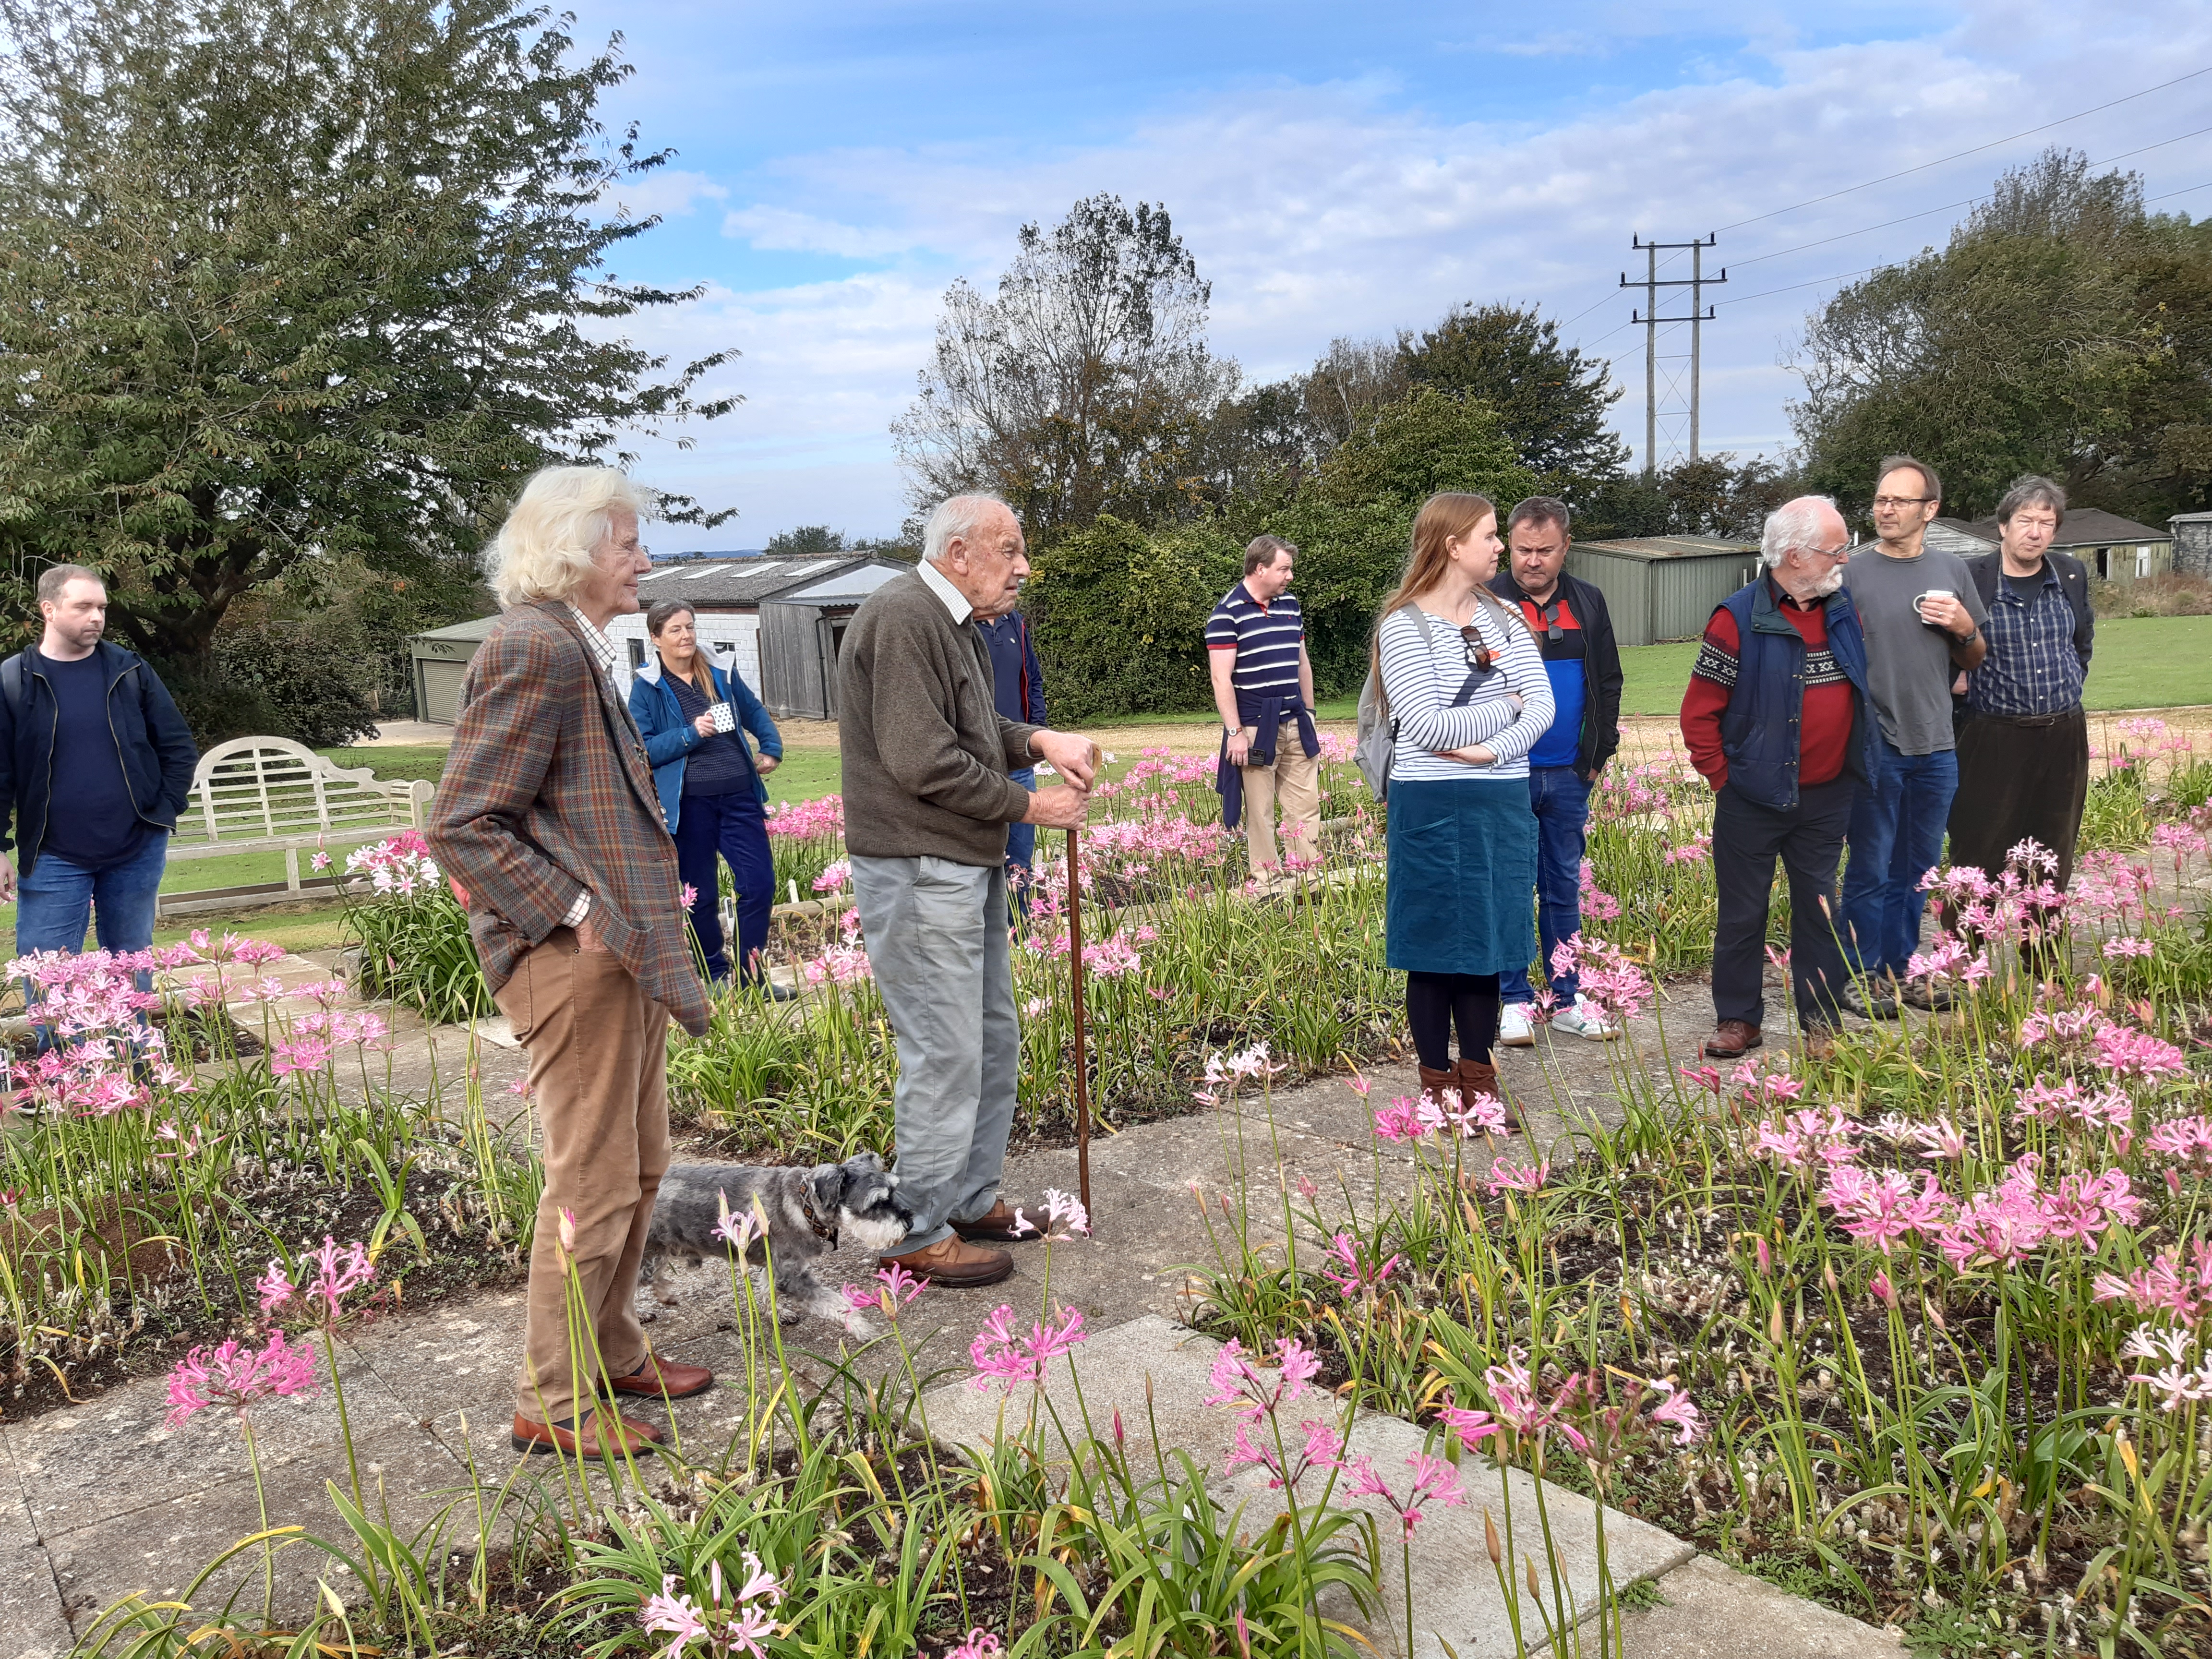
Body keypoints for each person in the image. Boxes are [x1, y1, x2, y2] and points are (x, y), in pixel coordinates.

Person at [426, 465, 714, 1460]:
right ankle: (553, 1398)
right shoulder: (530, 647)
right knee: (590, 1182)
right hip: (574, 959)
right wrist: (579, 913)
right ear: (574, 549)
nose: (644, 559)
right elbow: (464, 824)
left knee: (636, 1167)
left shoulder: (575, 643)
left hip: (616, 956)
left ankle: (613, 1349)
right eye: (627, 542)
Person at [839, 493, 1100, 1287]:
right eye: (1010, 549)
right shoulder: (904, 617)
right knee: (945, 1051)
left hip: (957, 865)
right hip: (919, 869)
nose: (1022, 566)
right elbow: (924, 760)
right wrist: (1032, 804)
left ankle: (963, 1197)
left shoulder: (955, 623)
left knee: (988, 1038)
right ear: (960, 552)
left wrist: (1038, 737)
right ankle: (914, 1230)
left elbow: (971, 731)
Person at [1373, 493, 1554, 1117]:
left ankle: (1479, 1087)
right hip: (1431, 804)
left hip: (1499, 799)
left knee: (1483, 949)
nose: (1501, 547)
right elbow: (1424, 726)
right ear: (1452, 546)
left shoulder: (1504, 618)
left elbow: (1545, 707)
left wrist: (1494, 748)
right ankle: (1436, 1090)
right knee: (1431, 952)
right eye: (1489, 536)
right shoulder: (1404, 626)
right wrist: (1505, 707)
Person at [1680, 497, 1876, 1060]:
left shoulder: (1842, 608)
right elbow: (1698, 715)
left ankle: (1822, 1021)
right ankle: (1740, 1019)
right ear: (1796, 554)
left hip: (1828, 793)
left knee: (1820, 908)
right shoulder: (1736, 618)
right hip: (1751, 799)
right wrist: (1725, 782)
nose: (1844, 558)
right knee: (1743, 912)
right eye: (1836, 548)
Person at [0, 565, 196, 1011]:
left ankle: (138, 1075)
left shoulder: (130, 670)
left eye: (102, 607)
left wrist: (163, 811)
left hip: (135, 850)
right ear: (49, 610)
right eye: (83, 606)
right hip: (52, 856)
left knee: (131, 973)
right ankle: (62, 1079)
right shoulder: (14, 680)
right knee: (47, 976)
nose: (97, 617)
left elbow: (178, 745)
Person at [1837, 456, 1987, 1017]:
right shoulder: (1850, 574)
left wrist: (1963, 627)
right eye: (1881, 499)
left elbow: (1975, 655)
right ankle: (1860, 975)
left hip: (1937, 746)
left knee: (1919, 869)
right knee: (1871, 866)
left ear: (1931, 510)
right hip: (1876, 746)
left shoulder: (1952, 570)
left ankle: (1902, 971)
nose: (1886, 509)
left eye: (1900, 501)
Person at [1486, 497, 1625, 1046]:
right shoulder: (1487, 601)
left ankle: (1569, 997)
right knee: (1510, 887)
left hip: (1569, 775)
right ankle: (1515, 1000)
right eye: (1523, 550)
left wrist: (1596, 757)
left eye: (1546, 550)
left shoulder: (1588, 602)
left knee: (1563, 886)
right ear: (1509, 547)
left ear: (1566, 547)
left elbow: (1608, 683)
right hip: (1506, 774)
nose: (1534, 561)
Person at [1948, 475, 2093, 962]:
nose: (2036, 532)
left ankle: (2042, 954)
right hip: (1993, 735)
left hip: (2063, 733)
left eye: (2046, 523)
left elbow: (2082, 645)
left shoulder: (2070, 575)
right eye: (2026, 521)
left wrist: (2065, 691)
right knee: (1979, 845)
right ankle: (1965, 957)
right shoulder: (1972, 577)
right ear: (2004, 526)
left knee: (2053, 847)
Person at [628, 601, 793, 996]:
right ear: (656, 638)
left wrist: (770, 747)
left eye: (690, 627)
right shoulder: (646, 687)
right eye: (675, 630)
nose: (686, 636)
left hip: (739, 797)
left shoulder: (719, 671)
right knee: (699, 893)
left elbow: (753, 711)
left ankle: (752, 977)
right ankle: (714, 975)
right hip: (690, 805)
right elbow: (642, 749)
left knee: (759, 884)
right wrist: (690, 733)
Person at [1208, 535, 1319, 888]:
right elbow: (1220, 679)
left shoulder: (1291, 606)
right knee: (1261, 813)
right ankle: (1267, 883)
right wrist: (1235, 733)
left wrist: (1311, 712)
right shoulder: (1227, 613)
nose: (1290, 577)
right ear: (1260, 569)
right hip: (1256, 727)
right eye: (1284, 569)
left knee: (1305, 807)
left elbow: (1302, 663)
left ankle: (1308, 882)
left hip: (1296, 720)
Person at [975, 606, 1048, 914]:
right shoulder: (960, 624)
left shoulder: (1015, 623)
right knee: (980, 857)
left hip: (1018, 763)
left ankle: (1020, 934)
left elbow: (1032, 679)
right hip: (978, 763)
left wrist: (1040, 733)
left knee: (1020, 858)